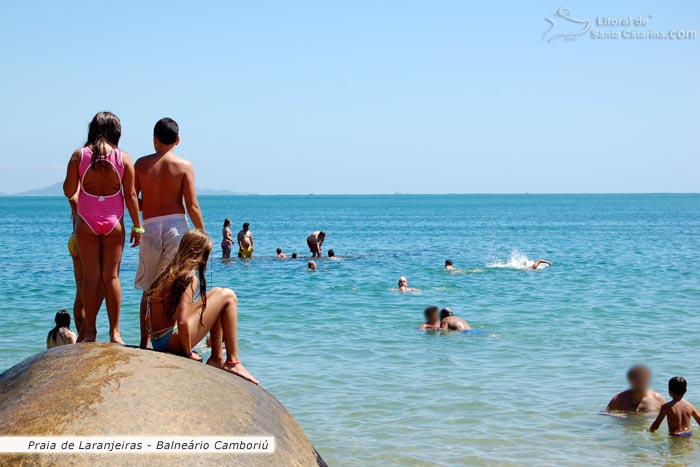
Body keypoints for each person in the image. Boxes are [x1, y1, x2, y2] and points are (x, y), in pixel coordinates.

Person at [63, 111, 142, 343]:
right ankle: (115, 333)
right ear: (116, 132)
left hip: (86, 221)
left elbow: (69, 191)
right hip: (114, 221)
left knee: (90, 277)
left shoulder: (79, 156)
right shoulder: (123, 158)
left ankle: (89, 332)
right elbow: (130, 195)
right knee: (112, 277)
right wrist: (138, 227)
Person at [145, 229, 258, 385]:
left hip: (158, 341)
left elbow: (145, 305)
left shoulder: (167, 271)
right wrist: (188, 353)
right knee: (229, 296)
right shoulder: (188, 277)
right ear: (199, 254)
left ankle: (217, 358)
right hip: (172, 343)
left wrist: (144, 342)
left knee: (217, 293)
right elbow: (183, 322)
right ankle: (233, 362)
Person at [133, 118, 205, 350]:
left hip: (151, 227)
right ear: (178, 140)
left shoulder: (141, 165)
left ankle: (145, 342)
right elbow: (191, 205)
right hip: (176, 226)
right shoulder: (184, 166)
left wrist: (146, 210)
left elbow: (133, 200)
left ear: (154, 139)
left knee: (149, 287)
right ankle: (173, 335)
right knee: (176, 284)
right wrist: (202, 233)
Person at [67, 191, 104, 341]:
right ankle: (86, 332)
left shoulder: (84, 187)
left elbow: (72, 199)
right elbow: (72, 199)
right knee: (101, 287)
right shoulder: (88, 188)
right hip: (85, 240)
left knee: (82, 293)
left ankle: (84, 334)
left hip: (75, 239)